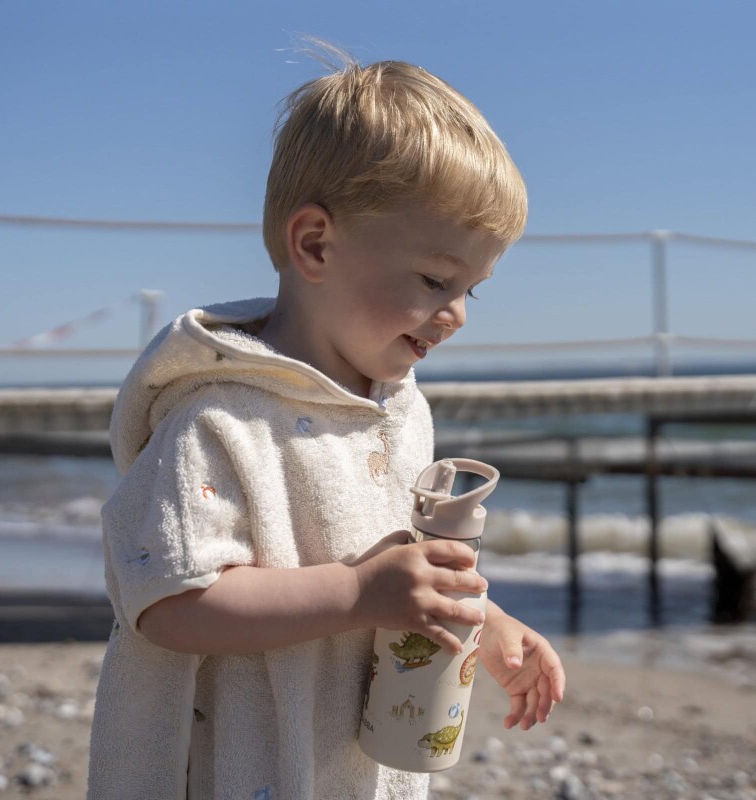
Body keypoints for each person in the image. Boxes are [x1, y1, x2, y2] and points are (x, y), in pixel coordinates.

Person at [87, 48, 565, 800]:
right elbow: (168, 603)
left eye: (472, 290)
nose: (456, 314)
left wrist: (486, 621)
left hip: (353, 761)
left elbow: (401, 565)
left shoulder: (399, 410)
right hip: (242, 767)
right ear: (314, 244)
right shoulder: (219, 416)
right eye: (436, 280)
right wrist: (355, 594)